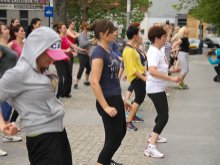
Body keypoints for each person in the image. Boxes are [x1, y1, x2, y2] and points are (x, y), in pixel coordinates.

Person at [0, 26, 72, 164]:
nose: (52, 60)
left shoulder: (43, 70)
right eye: (49, 55)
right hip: (42, 141)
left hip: (60, 135)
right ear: (36, 50)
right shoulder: (18, 73)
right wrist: (3, 125)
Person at [91, 19, 128, 165]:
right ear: (102, 34)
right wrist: (105, 106)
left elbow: (113, 79)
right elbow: (94, 83)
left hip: (115, 97)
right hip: (107, 100)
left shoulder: (110, 50)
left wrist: (123, 100)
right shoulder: (99, 54)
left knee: (120, 133)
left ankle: (106, 161)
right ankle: (102, 162)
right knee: (114, 138)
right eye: (111, 31)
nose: (114, 33)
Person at [144, 26, 180, 158]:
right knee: (164, 117)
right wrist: (171, 78)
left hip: (158, 88)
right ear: (157, 39)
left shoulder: (159, 50)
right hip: (154, 89)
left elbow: (161, 69)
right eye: (164, 37)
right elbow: (152, 71)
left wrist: (172, 71)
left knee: (162, 114)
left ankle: (154, 135)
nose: (166, 39)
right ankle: (150, 147)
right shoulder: (153, 51)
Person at [0, 22, 21, 156]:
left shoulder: (4, 46)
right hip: (3, 84)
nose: (8, 30)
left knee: (5, 113)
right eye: (5, 29)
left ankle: (6, 133)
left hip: (9, 84)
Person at [122, 26, 147, 131]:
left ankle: (133, 115)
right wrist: (143, 78)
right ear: (135, 36)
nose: (139, 36)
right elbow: (132, 69)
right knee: (139, 98)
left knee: (139, 98)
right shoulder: (128, 50)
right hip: (136, 78)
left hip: (140, 76)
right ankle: (128, 121)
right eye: (138, 34)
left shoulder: (132, 48)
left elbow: (136, 65)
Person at [74, 21, 92, 89]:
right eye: (87, 27)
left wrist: (89, 47)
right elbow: (82, 45)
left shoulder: (87, 35)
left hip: (86, 54)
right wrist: (90, 41)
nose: (88, 29)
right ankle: (76, 83)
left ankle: (86, 81)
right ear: (84, 27)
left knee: (89, 67)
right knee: (81, 68)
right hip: (81, 54)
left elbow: (88, 44)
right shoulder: (81, 35)